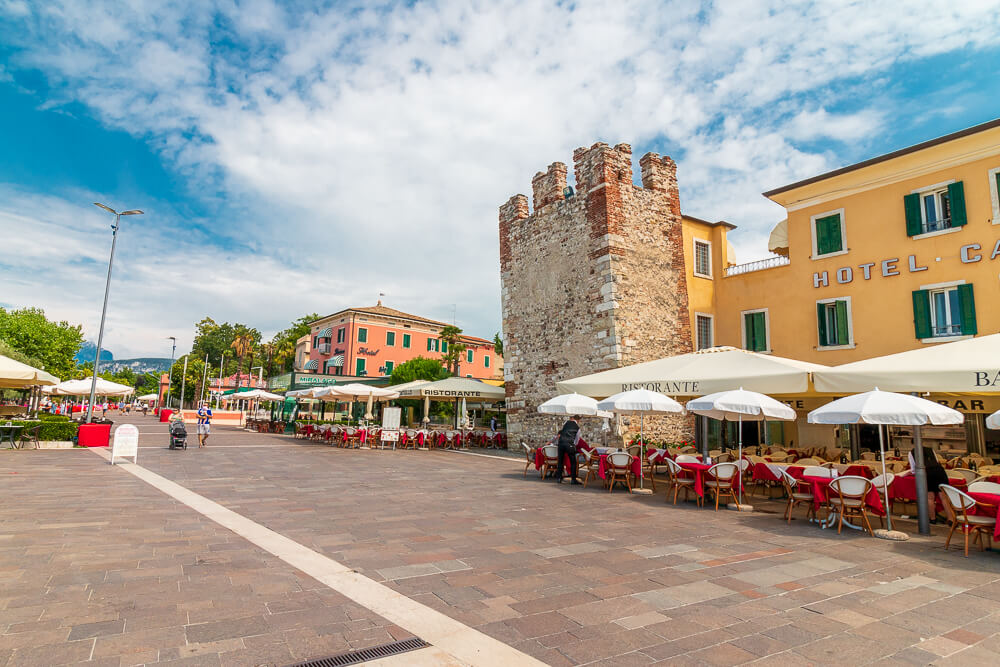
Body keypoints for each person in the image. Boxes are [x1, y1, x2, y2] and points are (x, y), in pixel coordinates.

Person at [909, 445, 948, 524]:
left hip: (927, 472)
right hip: (939, 471)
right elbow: (936, 461)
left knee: (930, 498)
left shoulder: (911, 452)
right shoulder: (930, 449)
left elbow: (913, 469)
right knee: (944, 498)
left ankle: (932, 519)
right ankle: (951, 520)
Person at [555, 415, 582, 485]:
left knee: (560, 461)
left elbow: (562, 432)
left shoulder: (566, 423)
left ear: (572, 418)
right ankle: (573, 479)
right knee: (573, 462)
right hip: (569, 444)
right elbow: (577, 440)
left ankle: (559, 478)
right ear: (578, 420)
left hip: (561, 443)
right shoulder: (578, 428)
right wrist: (573, 445)